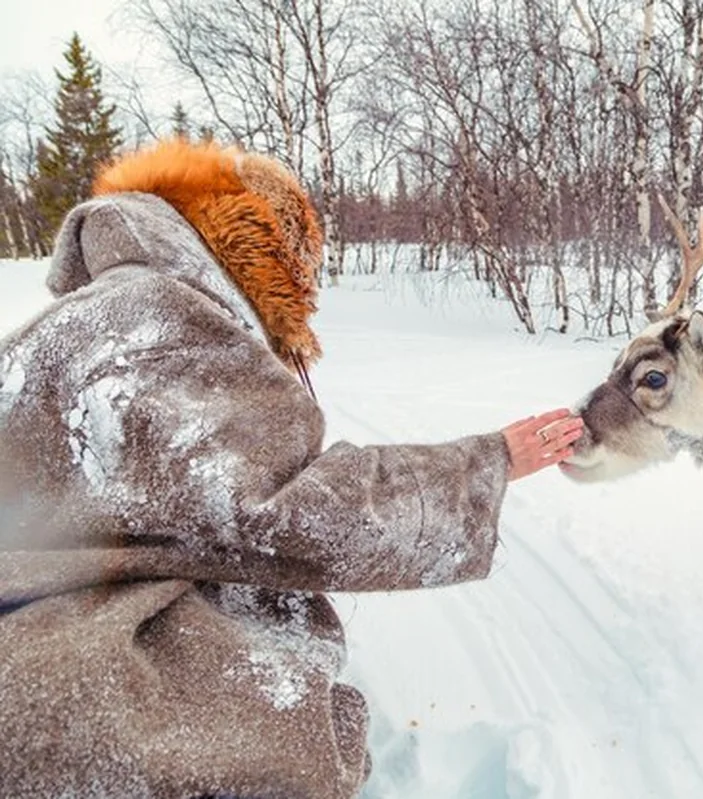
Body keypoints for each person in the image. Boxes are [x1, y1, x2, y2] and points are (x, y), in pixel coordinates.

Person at [0, 137, 582, 799]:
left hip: (25, 665)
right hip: (86, 703)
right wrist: (487, 463)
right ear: (269, 256)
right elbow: (281, 513)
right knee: (277, 723)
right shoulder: (170, 319)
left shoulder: (70, 323)